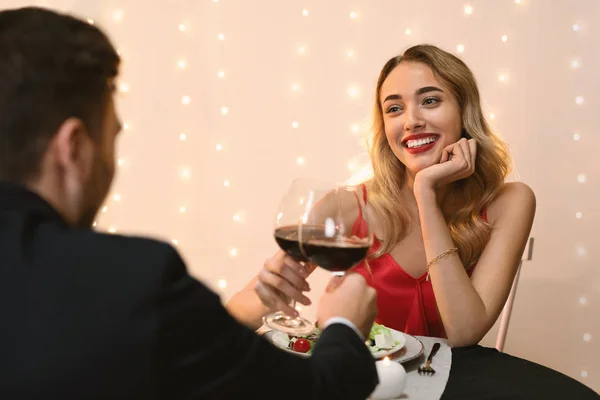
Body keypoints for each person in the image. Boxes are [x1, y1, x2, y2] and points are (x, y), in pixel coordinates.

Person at [0, 7, 379, 400]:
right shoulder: (133, 280)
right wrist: (344, 327)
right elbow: (317, 392)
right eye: (113, 137)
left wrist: (245, 311)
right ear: (74, 149)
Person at [227, 44, 536, 348]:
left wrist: (424, 192)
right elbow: (232, 318)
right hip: (353, 381)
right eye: (394, 108)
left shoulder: (509, 202)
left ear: (464, 111)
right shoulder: (348, 205)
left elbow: (464, 331)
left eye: (430, 100)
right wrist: (267, 297)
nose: (411, 121)